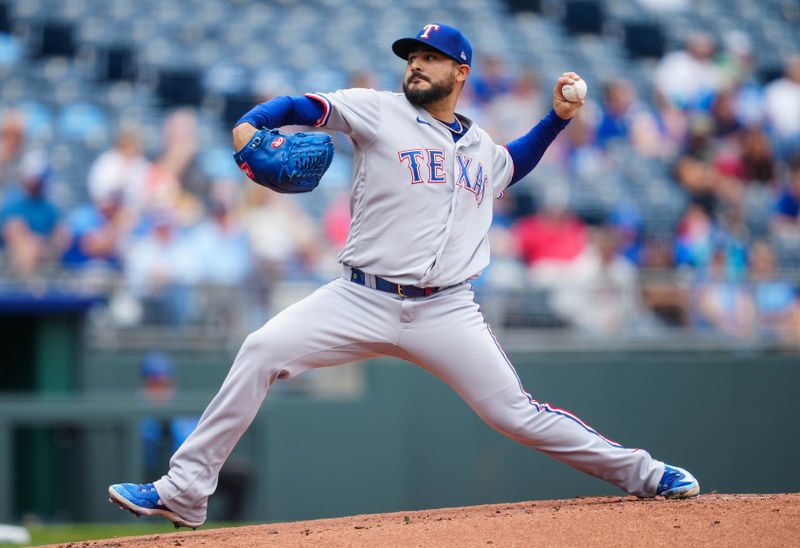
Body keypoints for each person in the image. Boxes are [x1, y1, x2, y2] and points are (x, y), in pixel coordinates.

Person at [108, 23, 699, 529]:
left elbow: (513, 163)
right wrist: (249, 124)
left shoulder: (482, 148)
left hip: (447, 310)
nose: (415, 66)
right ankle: (185, 492)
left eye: (429, 58)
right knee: (261, 348)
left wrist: (557, 118)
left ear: (460, 72)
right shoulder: (378, 109)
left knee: (516, 414)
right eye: (411, 58)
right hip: (359, 296)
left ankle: (644, 474)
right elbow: (301, 108)